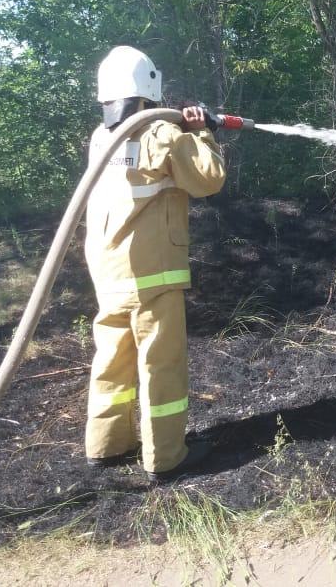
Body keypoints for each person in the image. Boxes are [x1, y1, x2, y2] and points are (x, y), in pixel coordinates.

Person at [83, 45, 226, 481]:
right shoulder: (161, 136)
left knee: (112, 362)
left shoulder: (100, 139)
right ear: (150, 88)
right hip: (153, 277)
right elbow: (209, 178)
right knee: (160, 365)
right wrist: (202, 131)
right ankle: (166, 457)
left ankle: (106, 445)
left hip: (108, 277)